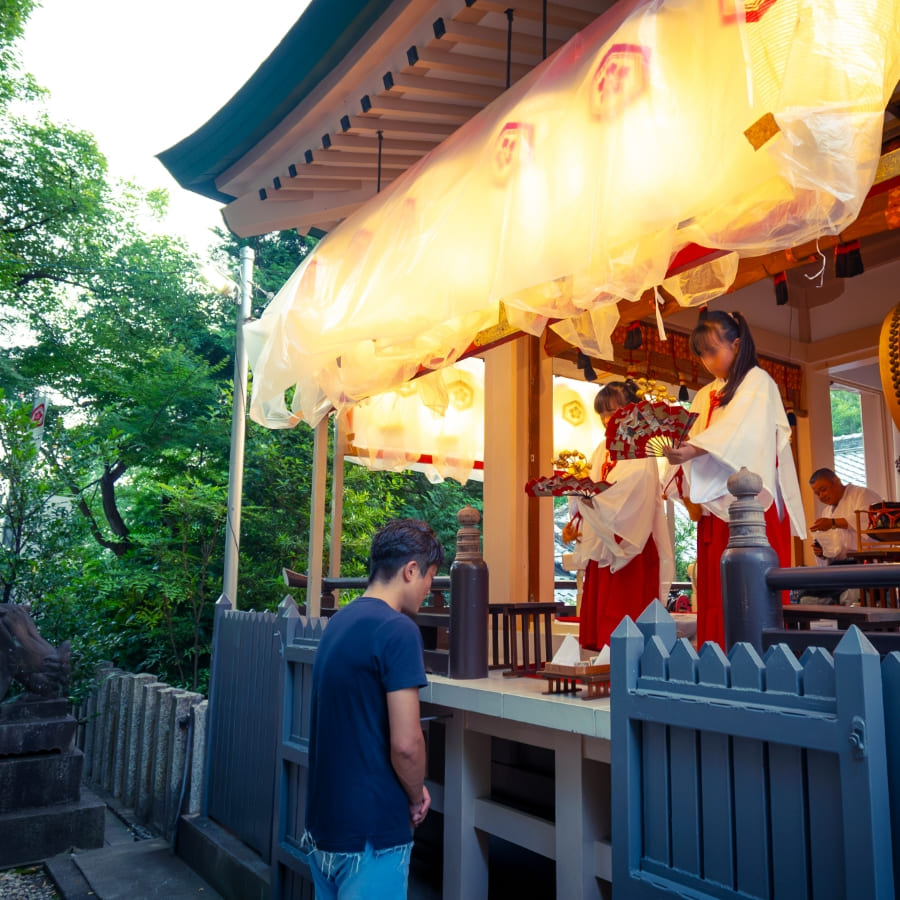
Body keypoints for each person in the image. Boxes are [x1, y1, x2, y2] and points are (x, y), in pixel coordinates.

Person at [301, 518, 444, 900]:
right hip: (372, 834)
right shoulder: (398, 630)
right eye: (430, 577)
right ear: (410, 570)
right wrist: (417, 795)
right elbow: (407, 744)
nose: (429, 589)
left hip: (324, 828)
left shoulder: (338, 623)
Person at [662, 309, 805, 646]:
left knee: (753, 592)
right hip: (713, 508)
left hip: (752, 506)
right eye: (702, 355)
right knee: (715, 590)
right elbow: (697, 437)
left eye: (713, 351)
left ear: (737, 344)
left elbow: (739, 433)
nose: (707, 361)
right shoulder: (704, 394)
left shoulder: (758, 382)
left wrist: (691, 450)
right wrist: (683, 479)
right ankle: (715, 655)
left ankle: (760, 662)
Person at [572, 379, 674, 651]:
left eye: (612, 411)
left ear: (632, 410)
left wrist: (596, 499)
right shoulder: (602, 448)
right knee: (603, 610)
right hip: (603, 535)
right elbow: (592, 481)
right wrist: (581, 498)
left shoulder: (641, 445)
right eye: (602, 413)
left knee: (625, 612)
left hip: (631, 536)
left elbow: (634, 488)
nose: (607, 419)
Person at [805, 468, 880, 604]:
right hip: (838, 567)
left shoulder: (861, 494)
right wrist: (822, 552)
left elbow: (868, 522)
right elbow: (833, 545)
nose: (821, 496)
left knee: (849, 595)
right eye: (817, 493)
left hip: (863, 564)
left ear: (836, 481)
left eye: (823, 489)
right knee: (807, 596)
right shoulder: (826, 512)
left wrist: (833, 523)